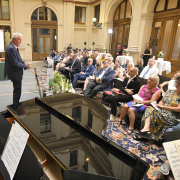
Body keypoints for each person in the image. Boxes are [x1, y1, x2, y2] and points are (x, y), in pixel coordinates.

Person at [133, 75, 180, 141]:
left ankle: (146, 133)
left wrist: (163, 106)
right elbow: (162, 101)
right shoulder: (170, 91)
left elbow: (178, 109)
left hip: (171, 116)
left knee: (152, 112)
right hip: (161, 111)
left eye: (178, 83)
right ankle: (146, 129)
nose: (176, 84)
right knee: (149, 108)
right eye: (176, 82)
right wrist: (158, 105)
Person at [4, 32, 30, 115]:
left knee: (17, 90)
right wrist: (24, 65)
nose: (20, 41)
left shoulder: (14, 47)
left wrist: (24, 63)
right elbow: (15, 63)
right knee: (17, 91)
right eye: (19, 39)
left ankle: (17, 105)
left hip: (16, 73)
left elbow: (19, 59)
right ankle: (15, 108)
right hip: (15, 73)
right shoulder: (11, 48)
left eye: (21, 40)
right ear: (14, 39)